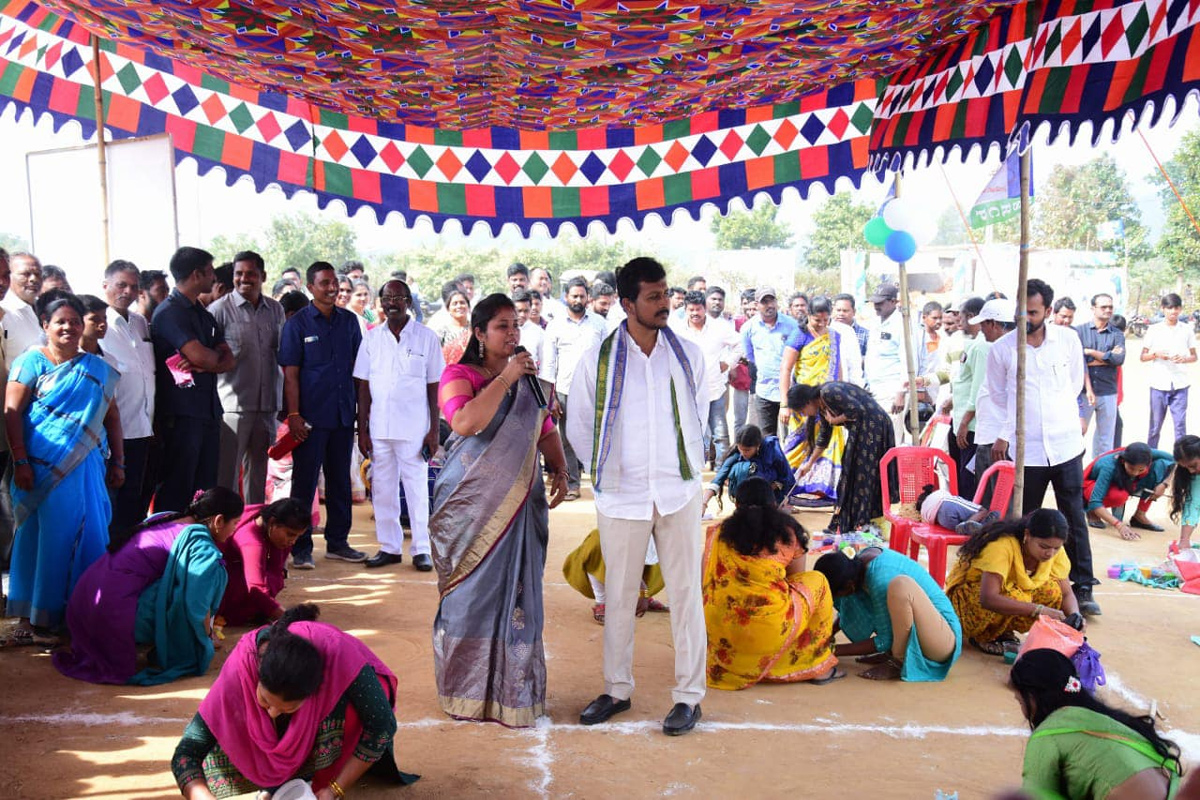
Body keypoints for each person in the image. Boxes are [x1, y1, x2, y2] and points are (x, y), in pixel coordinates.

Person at [568, 258, 709, 737]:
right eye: (653, 296)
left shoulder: (688, 354)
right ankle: (616, 689)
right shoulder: (598, 360)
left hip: (678, 491)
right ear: (627, 304)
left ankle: (690, 696)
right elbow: (580, 424)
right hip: (623, 496)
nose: (664, 303)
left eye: (665, 293)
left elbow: (700, 416)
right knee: (621, 596)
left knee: (687, 593)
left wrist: (686, 474)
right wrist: (607, 475)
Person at [431, 294, 568, 727]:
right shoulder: (460, 374)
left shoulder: (528, 382)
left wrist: (561, 467)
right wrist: (507, 377)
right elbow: (465, 423)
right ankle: (465, 692)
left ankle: (514, 693)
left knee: (518, 597)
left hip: (519, 507)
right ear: (478, 333)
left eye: (516, 326)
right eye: (502, 326)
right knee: (470, 598)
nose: (512, 334)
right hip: (470, 508)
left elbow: (544, 429)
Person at [172, 604, 417, 799]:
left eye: (289, 708)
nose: (273, 714)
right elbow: (186, 753)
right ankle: (284, 778)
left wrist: (334, 790)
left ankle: (312, 773)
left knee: (355, 711)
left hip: (341, 696)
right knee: (232, 722)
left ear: (316, 694)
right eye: (266, 701)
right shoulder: (241, 668)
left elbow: (382, 726)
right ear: (257, 674)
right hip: (290, 701)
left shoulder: (337, 654)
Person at [2, 292, 123, 645]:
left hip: (86, 467)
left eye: (74, 321)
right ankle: (35, 618)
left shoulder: (96, 368)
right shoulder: (31, 362)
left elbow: (112, 417)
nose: (68, 327)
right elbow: (11, 415)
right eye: (60, 322)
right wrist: (21, 460)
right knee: (46, 537)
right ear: (45, 326)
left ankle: (79, 611)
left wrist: (119, 460)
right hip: (41, 467)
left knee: (91, 535)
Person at [987, 279, 1099, 616]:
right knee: (1023, 520)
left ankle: (1083, 587)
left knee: (1073, 517)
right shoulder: (1002, 349)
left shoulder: (1068, 339)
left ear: (1048, 311)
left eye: (1032, 312)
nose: (1025, 317)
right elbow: (998, 397)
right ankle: (1016, 587)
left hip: (1065, 446)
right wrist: (1009, 432)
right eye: (1020, 311)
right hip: (1027, 451)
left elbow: (1076, 383)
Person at [53, 488, 242, 685]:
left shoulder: (166, 516)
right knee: (204, 578)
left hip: (81, 605)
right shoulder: (200, 546)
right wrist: (205, 639)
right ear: (219, 521)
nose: (235, 530)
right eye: (235, 523)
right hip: (107, 615)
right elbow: (195, 602)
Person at [702, 477, 840, 689]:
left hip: (721, 630)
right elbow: (796, 579)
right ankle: (816, 665)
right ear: (774, 504)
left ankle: (748, 659)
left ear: (736, 504)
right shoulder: (788, 533)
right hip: (768, 628)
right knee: (817, 582)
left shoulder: (717, 532)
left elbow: (706, 579)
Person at [279, 262, 366, 569]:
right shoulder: (297, 324)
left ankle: (338, 543)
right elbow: (291, 374)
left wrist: (361, 415)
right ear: (310, 287)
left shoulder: (350, 322)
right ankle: (300, 547)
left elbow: (360, 372)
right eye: (325, 283)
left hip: (343, 416)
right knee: (304, 484)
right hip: (310, 419)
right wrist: (293, 415)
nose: (331, 288)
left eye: (334, 283)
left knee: (340, 480)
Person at [354, 280, 444, 571]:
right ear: (380, 302)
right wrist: (363, 428)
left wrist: (434, 429)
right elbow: (363, 386)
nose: (392, 302)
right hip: (379, 428)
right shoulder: (371, 338)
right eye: (387, 297)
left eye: (398, 297)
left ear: (408, 301)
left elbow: (434, 386)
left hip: (415, 428)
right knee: (382, 490)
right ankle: (390, 547)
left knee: (417, 489)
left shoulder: (426, 338)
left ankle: (421, 549)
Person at [1010, 649, 1183, 799]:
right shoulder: (1108, 719)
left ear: (1033, 696)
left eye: (1020, 701)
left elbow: (1034, 796)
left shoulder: (1047, 735)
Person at [150, 247, 234, 513]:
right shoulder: (169, 312)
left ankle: (197, 547)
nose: (214, 277)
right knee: (178, 485)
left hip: (208, 411)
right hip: (181, 414)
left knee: (204, 488)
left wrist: (209, 363)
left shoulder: (203, 313)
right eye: (210, 271)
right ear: (197, 274)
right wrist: (210, 361)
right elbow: (203, 357)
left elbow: (228, 359)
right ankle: (169, 546)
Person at [945, 509, 1083, 656]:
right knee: (1018, 597)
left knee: (1052, 591)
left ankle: (1003, 631)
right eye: (1043, 547)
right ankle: (983, 635)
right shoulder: (1002, 546)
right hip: (968, 603)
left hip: (1006, 596)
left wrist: (1076, 617)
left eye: (1056, 548)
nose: (1050, 554)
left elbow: (1066, 593)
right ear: (1027, 535)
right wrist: (1039, 610)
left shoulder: (1054, 551)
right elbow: (988, 598)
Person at [814, 545, 962, 681]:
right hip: (927, 635)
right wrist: (827, 634)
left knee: (901, 586)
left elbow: (886, 639)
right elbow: (850, 607)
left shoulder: (879, 577)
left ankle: (898, 662)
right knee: (886, 592)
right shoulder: (854, 568)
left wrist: (832, 650)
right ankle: (895, 653)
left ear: (849, 586)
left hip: (943, 643)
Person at [209, 251, 286, 505]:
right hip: (232, 408)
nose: (245, 279)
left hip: (266, 408)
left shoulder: (275, 310)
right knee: (227, 477)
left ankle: (253, 530)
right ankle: (226, 535)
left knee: (258, 475)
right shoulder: (219, 310)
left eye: (251, 273)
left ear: (262, 276)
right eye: (238, 274)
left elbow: (281, 355)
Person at [787, 381, 896, 533]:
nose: (804, 415)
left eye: (802, 411)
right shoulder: (823, 407)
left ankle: (866, 524)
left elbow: (857, 409)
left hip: (873, 427)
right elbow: (823, 439)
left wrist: (835, 420)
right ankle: (850, 524)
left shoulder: (828, 392)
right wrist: (809, 464)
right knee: (850, 474)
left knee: (863, 477)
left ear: (807, 402)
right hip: (862, 431)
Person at [100, 260, 157, 540]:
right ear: (106, 286)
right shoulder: (99, 325)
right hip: (117, 430)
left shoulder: (139, 322)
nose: (127, 291)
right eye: (121, 284)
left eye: (133, 286)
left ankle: (129, 559)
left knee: (137, 500)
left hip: (145, 426)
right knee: (114, 504)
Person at [778, 296, 853, 502]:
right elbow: (785, 369)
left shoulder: (834, 336)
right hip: (803, 402)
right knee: (799, 443)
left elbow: (837, 367)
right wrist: (785, 404)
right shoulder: (799, 335)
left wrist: (840, 397)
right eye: (816, 320)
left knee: (828, 441)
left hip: (827, 400)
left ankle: (821, 487)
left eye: (825, 320)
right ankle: (788, 482)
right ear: (808, 316)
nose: (821, 324)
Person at [544, 277, 605, 500]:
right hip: (564, 390)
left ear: (588, 297)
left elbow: (608, 357)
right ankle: (572, 485)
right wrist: (551, 397)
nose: (578, 299)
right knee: (567, 438)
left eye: (582, 296)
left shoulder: (599, 324)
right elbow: (549, 364)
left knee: (597, 436)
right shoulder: (555, 326)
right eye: (574, 296)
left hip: (594, 391)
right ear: (566, 297)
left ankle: (601, 482)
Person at [669, 290, 741, 465]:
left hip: (713, 389)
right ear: (685, 309)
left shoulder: (719, 328)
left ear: (705, 309)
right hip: (686, 391)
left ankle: (721, 473)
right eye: (691, 309)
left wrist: (728, 363)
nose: (695, 313)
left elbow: (740, 344)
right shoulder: (676, 329)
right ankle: (688, 469)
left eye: (698, 309)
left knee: (720, 433)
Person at [218, 497, 309, 625]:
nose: (293, 541)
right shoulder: (251, 540)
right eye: (290, 534)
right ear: (272, 522)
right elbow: (256, 588)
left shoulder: (267, 520)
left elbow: (276, 571)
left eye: (297, 537)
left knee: (276, 577)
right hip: (220, 587)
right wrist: (289, 620)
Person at [966, 298, 1016, 495]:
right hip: (989, 435)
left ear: (994, 324)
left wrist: (1003, 436)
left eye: (983, 324)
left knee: (998, 499)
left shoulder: (1011, 351)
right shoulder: (997, 349)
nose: (981, 329)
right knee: (986, 497)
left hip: (999, 438)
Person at [562, 529, 666, 624]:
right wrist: (642, 590)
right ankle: (601, 601)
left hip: (648, 521)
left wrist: (643, 593)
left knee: (658, 548)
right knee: (596, 549)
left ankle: (639, 598)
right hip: (617, 521)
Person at [863, 283, 919, 445]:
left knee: (891, 436)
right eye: (875, 302)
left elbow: (908, 361)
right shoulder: (875, 322)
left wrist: (900, 392)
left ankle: (892, 470)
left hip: (892, 389)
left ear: (894, 302)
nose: (876, 306)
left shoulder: (902, 324)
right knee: (876, 437)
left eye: (880, 303)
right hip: (874, 388)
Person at [1083, 442, 1174, 540]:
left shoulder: (1148, 454)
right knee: (1119, 496)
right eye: (1131, 468)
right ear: (1123, 461)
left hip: (1126, 482)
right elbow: (1096, 501)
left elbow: (1177, 461)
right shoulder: (1108, 467)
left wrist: (1164, 484)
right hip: (1093, 486)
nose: (1135, 473)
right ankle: (1092, 511)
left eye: (1140, 470)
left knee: (1161, 465)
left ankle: (1140, 515)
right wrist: (1119, 525)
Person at [742, 286, 799, 434]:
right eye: (764, 302)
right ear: (757, 305)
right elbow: (750, 355)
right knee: (767, 439)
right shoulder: (748, 328)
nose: (770, 305)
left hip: (790, 391)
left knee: (790, 438)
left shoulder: (792, 325)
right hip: (765, 391)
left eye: (772, 300)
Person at [1142, 293, 1195, 450]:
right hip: (1159, 384)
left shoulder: (1186, 330)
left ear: (1180, 309)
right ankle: (1150, 458)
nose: (1173, 311)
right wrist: (1156, 355)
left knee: (1180, 427)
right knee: (1155, 427)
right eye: (1169, 308)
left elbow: (1194, 356)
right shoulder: (1154, 330)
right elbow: (1143, 356)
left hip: (1180, 384)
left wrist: (1184, 359)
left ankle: (1182, 462)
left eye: (1176, 308)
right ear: (1163, 309)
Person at [1076, 293, 1125, 458]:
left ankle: (1098, 474)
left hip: (1108, 392)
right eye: (1103, 307)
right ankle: (1075, 476)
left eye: (1110, 307)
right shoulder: (1080, 331)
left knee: (1105, 440)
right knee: (1076, 435)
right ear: (1093, 308)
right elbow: (1076, 360)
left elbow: (1119, 359)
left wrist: (1090, 352)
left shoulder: (1117, 334)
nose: (1108, 310)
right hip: (1083, 392)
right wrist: (1106, 357)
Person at [947, 296, 987, 498]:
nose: (957, 320)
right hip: (963, 422)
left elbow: (979, 390)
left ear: (971, 316)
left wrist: (964, 423)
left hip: (971, 427)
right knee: (961, 479)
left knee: (968, 483)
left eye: (960, 316)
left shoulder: (981, 347)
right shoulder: (974, 344)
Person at [703, 425, 794, 510]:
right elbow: (717, 480)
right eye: (740, 449)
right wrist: (704, 503)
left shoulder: (772, 449)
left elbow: (785, 477)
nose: (743, 453)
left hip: (772, 495)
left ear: (758, 446)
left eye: (747, 450)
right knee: (742, 468)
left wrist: (775, 493)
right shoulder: (735, 455)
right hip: (746, 499)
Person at [915, 483, 999, 536]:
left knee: (970, 521)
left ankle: (975, 527)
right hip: (947, 505)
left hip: (943, 521)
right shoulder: (935, 495)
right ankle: (967, 525)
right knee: (983, 511)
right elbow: (947, 495)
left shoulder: (924, 511)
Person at [1, 252, 43, 358]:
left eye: (38, 274)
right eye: (25, 274)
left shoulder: (46, 309)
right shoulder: (4, 313)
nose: (34, 279)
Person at [1169, 434, 1200, 550]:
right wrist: (1184, 540)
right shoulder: (1197, 476)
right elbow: (1193, 504)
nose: (1191, 471)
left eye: (1193, 465)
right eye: (1186, 468)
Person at [431, 281, 471, 364]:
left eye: (462, 303)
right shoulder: (442, 334)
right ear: (448, 309)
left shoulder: (476, 331)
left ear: (468, 306)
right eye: (455, 304)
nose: (459, 306)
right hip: (450, 374)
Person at [833, 293, 870, 358]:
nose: (841, 314)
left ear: (854, 312)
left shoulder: (865, 335)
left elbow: (870, 359)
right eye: (838, 310)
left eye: (845, 311)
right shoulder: (827, 331)